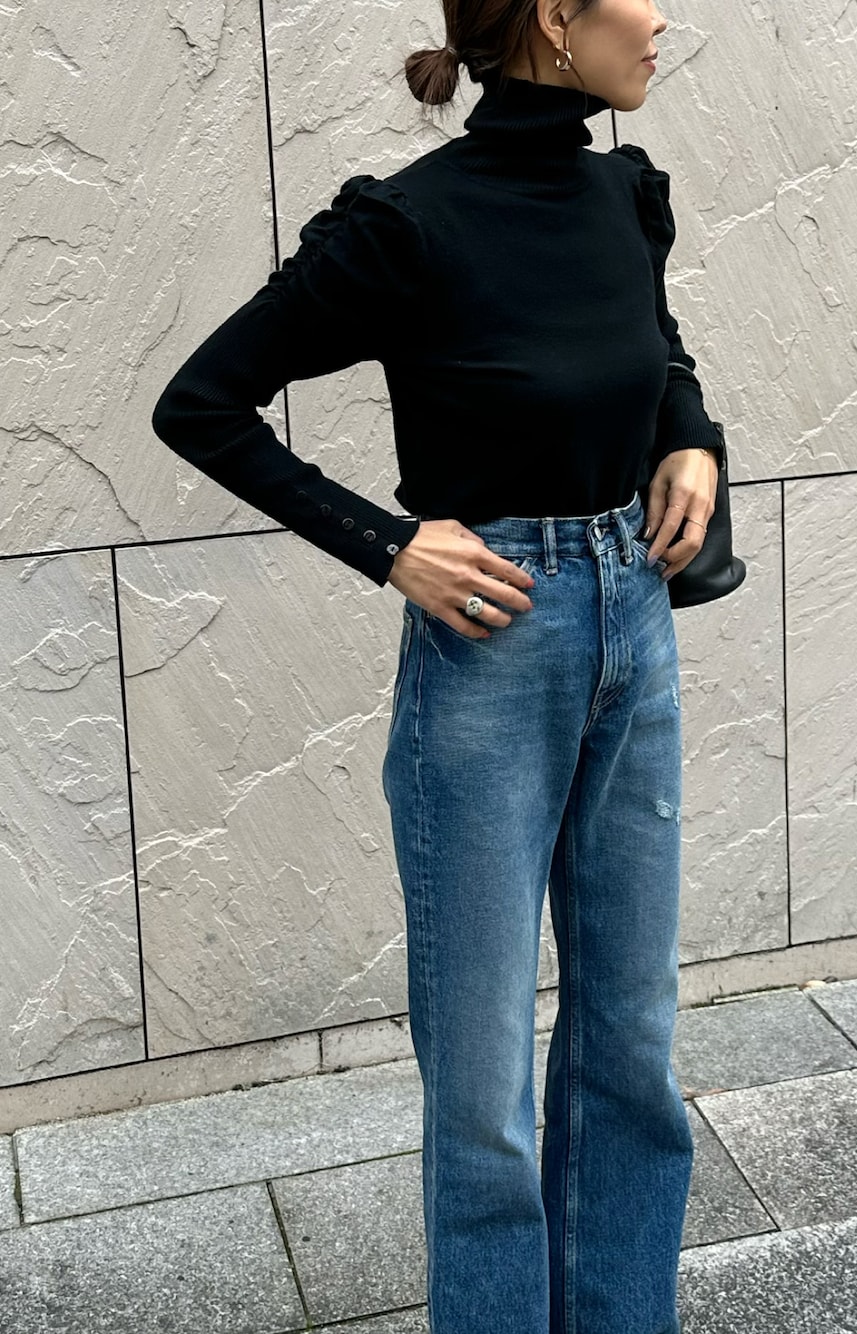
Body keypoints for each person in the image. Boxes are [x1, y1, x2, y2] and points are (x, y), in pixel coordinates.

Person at [151, 1, 722, 1329]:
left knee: (632, 1053)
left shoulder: (622, 195)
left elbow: (656, 352)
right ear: (556, 18)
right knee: (484, 1098)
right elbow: (203, 403)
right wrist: (389, 544)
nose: (662, 15)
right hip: (492, 658)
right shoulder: (411, 224)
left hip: (636, 630)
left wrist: (692, 436)